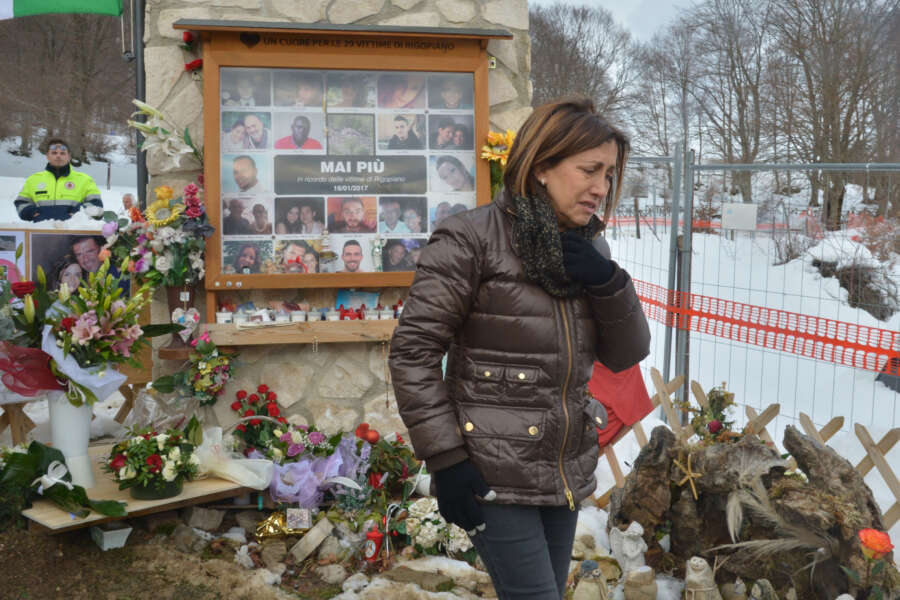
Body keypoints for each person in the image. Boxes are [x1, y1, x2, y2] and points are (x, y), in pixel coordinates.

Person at [388, 98, 650, 600]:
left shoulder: (589, 250)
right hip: (492, 473)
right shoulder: (471, 240)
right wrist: (446, 459)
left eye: (610, 175)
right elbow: (413, 353)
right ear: (544, 165)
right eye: (589, 170)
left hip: (563, 470)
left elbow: (625, 353)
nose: (601, 188)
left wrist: (608, 282)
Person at [15, 138, 103, 222]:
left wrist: (78, 213)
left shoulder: (85, 180)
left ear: (69, 156)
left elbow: (97, 206)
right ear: (47, 156)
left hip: (74, 232)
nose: (58, 155)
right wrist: (32, 213)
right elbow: (21, 202)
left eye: (62, 153)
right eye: (54, 153)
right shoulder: (33, 180)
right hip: (40, 230)